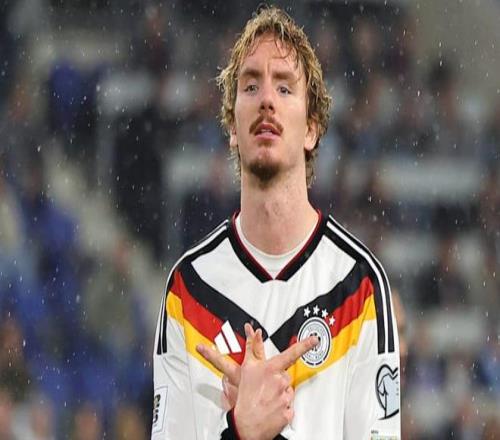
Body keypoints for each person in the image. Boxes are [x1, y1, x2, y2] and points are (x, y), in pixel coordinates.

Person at [152, 6, 400, 440]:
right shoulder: (188, 291)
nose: (266, 99)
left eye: (284, 88)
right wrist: (240, 431)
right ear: (232, 126)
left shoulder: (358, 287)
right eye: (251, 86)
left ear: (311, 129)